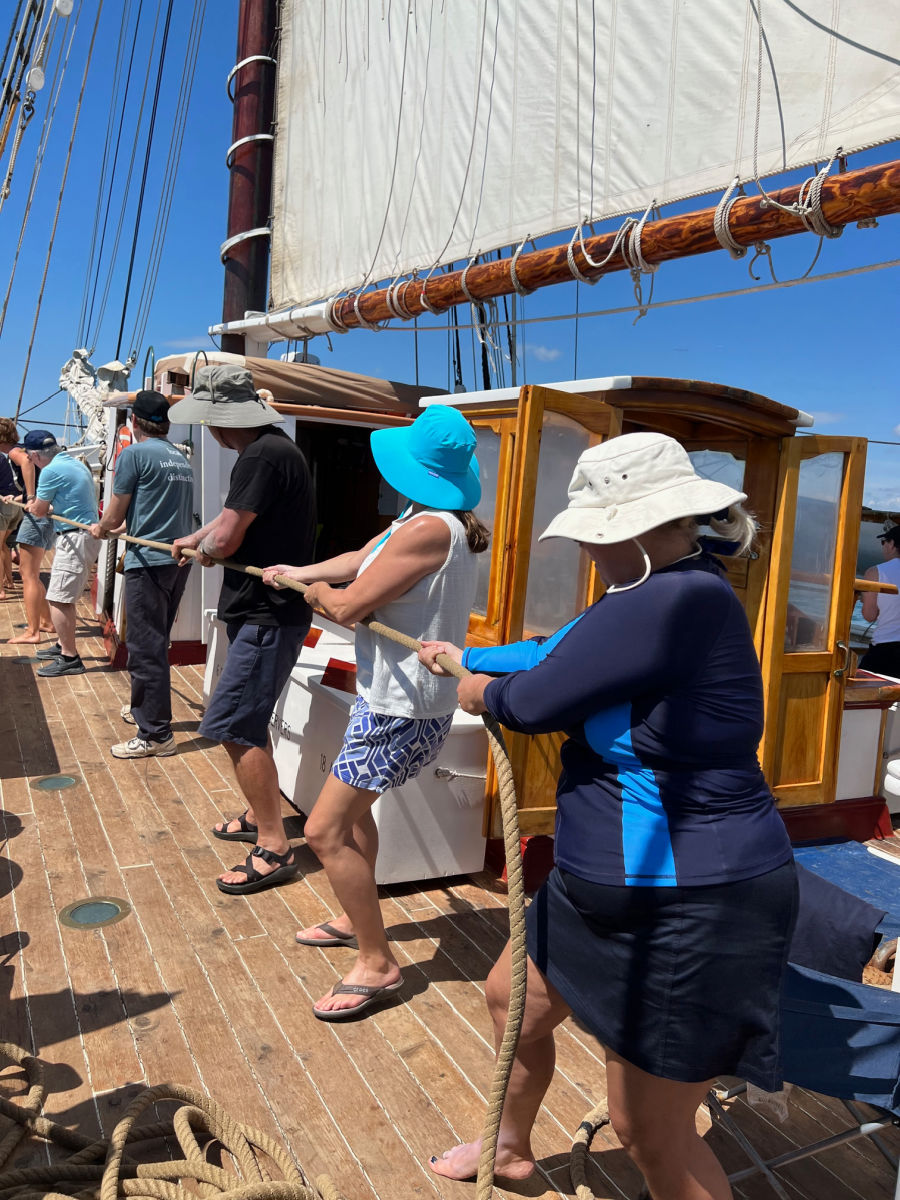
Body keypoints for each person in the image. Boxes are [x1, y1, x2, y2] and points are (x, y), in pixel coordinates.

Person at [419, 432, 797, 1200]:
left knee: (648, 1134)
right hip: (602, 885)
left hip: (686, 901)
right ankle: (514, 1150)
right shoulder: (649, 595)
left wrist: (476, 690)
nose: (591, 552)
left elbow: (533, 701)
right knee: (511, 1004)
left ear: (634, 527)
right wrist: (468, 656)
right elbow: (553, 651)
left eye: (597, 536)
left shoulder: (677, 596)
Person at [260, 403, 488, 1021]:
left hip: (401, 709)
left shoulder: (428, 529)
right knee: (356, 818)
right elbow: (362, 557)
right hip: (390, 701)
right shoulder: (428, 520)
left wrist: (317, 594)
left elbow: (348, 606)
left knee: (323, 830)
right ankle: (353, 912)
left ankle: (377, 963)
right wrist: (299, 571)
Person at [168, 365, 316, 894]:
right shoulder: (276, 449)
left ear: (218, 421)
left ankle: (274, 846)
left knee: (234, 725)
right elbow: (231, 520)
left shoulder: (258, 456)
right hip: (268, 615)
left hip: (267, 616)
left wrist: (208, 550)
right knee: (246, 719)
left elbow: (228, 540)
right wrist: (197, 537)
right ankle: (261, 814)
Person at [90, 391, 194, 759]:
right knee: (155, 642)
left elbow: (114, 517)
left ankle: (156, 735)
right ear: (166, 424)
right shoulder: (179, 457)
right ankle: (144, 709)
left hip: (148, 564)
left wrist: (101, 528)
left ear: (134, 423)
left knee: (145, 648)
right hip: (176, 562)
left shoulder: (134, 454)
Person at [23, 431, 100, 677]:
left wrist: (32, 503)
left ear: (34, 455)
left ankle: (70, 657)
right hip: (81, 534)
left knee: (59, 599)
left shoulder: (49, 472)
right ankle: (61, 646)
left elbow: (39, 510)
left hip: (74, 537)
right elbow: (67, 503)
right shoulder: (73, 463)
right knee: (62, 594)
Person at [0, 420, 55, 641]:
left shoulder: (14, 452)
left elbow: (27, 464)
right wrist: (19, 497)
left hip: (37, 515)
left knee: (28, 574)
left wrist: (30, 497)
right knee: (30, 573)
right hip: (39, 510)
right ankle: (47, 622)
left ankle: (33, 632)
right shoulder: (20, 448)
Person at [859, 525, 900, 678]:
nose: (883, 546)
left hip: (886, 650)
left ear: (892, 544)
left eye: (884, 542)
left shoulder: (875, 572)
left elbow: (870, 615)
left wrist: (864, 597)